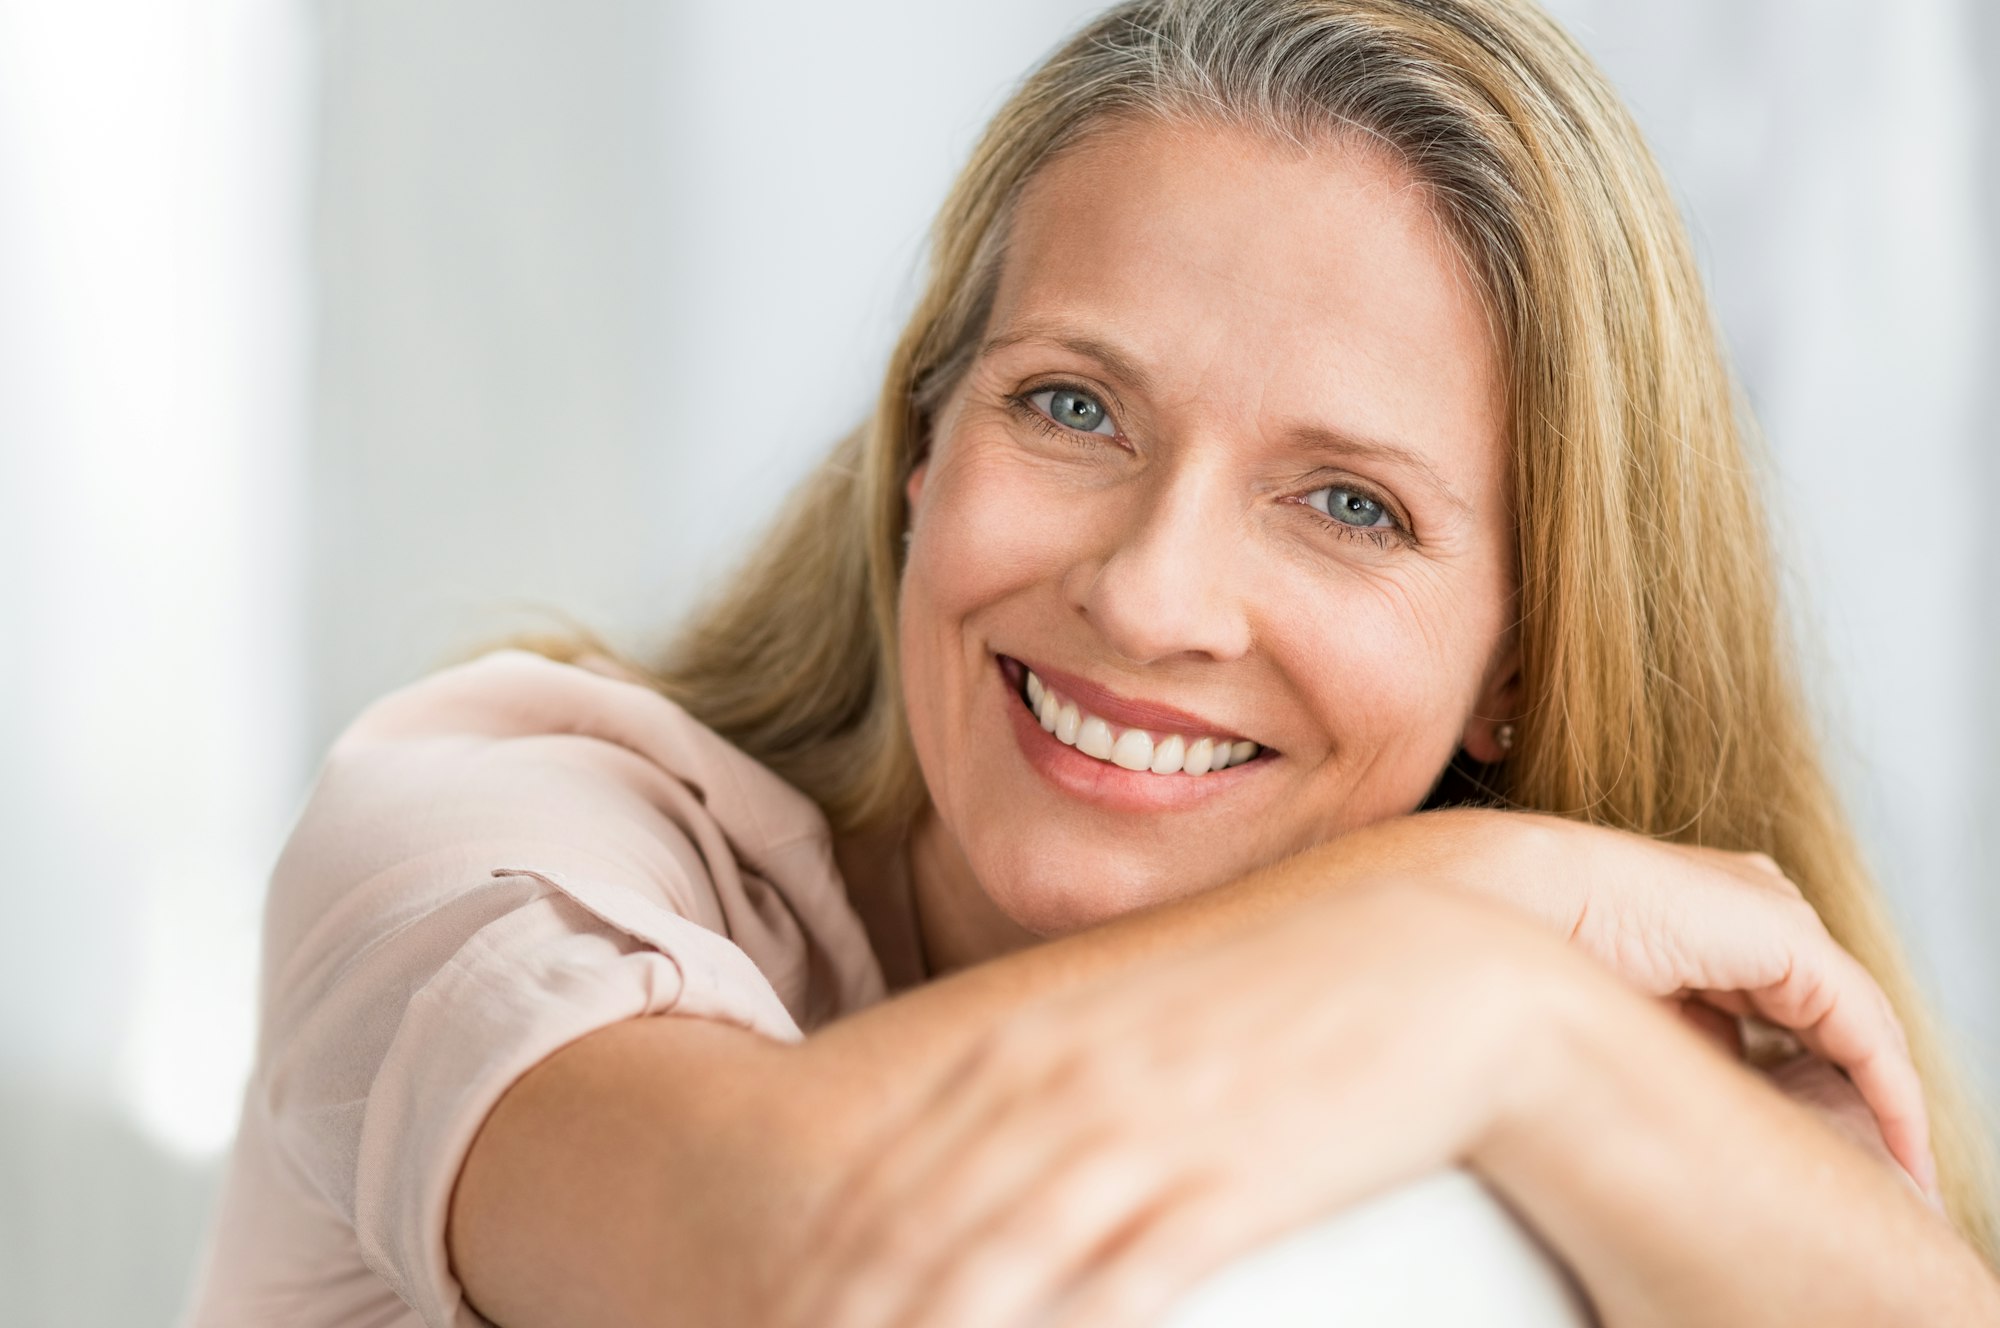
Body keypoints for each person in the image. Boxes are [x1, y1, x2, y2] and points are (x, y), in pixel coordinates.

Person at [179, 0, 2000, 1325]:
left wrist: (1499, 1014)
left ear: (1522, 662)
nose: (1149, 598)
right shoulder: (487, 841)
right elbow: (817, 1271)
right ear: (922, 448)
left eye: (1350, 506)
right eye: (1072, 406)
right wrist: (1461, 959)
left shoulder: (1560, 1007)